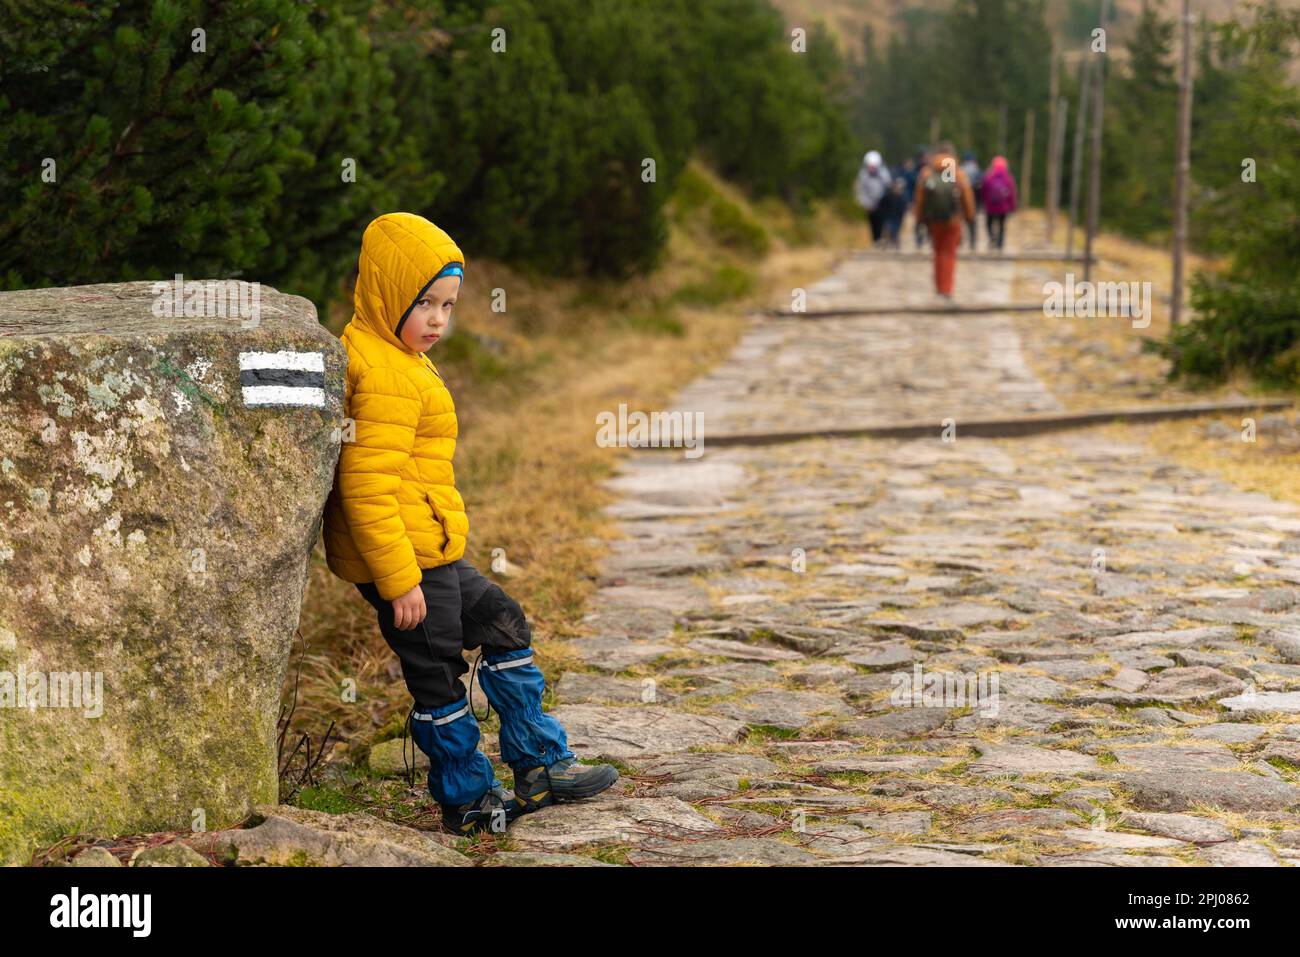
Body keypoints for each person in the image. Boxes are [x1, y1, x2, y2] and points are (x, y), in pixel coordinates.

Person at [323, 211, 619, 835]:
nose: (437, 319)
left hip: (436, 553)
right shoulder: (379, 371)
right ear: (385, 294)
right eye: (424, 302)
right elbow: (366, 486)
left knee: (503, 622)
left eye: (448, 305)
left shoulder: (399, 357)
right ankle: (468, 799)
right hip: (408, 563)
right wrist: (398, 578)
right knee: (439, 678)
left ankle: (541, 765)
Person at [911, 141, 976, 299]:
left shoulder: (927, 172)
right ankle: (946, 289)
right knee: (949, 253)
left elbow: (919, 200)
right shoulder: (957, 172)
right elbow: (967, 198)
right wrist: (969, 218)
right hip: (953, 220)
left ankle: (939, 287)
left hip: (933, 220)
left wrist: (919, 219)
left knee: (938, 252)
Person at [853, 150, 892, 244]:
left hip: (882, 203)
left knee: (883, 221)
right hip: (870, 205)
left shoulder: (884, 173)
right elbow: (860, 191)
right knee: (873, 222)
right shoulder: (863, 175)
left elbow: (888, 186)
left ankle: (884, 236)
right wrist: (866, 204)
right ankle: (876, 240)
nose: (872, 169)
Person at [981, 155, 1018, 251]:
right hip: (1003, 207)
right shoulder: (1008, 178)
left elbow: (984, 191)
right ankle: (1000, 244)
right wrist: (1012, 207)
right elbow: (1012, 194)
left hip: (990, 206)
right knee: (1002, 225)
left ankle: (992, 238)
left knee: (989, 223)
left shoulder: (988, 176)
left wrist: (984, 203)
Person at [960, 151, 983, 250]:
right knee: (972, 222)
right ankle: (972, 243)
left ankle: (959, 242)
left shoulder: (960, 170)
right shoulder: (977, 170)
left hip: (961, 201)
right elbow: (981, 186)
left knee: (960, 222)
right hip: (973, 200)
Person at [878, 176, 907, 249]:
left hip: (897, 218)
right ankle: (885, 243)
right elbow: (882, 205)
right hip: (888, 217)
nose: (898, 190)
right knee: (886, 229)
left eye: (900, 189)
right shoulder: (887, 196)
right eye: (896, 188)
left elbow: (902, 210)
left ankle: (895, 243)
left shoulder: (902, 199)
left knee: (895, 231)